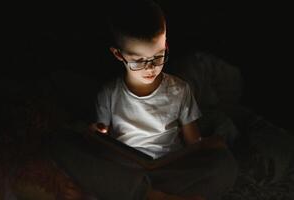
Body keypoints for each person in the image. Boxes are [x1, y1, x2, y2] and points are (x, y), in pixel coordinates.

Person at [49, 0, 238, 199]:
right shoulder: (109, 93)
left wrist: (207, 145)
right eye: (139, 61)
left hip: (168, 168)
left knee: (225, 165)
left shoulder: (180, 90)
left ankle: (138, 193)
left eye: (158, 56)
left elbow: (194, 143)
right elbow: (101, 141)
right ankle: (152, 195)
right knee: (61, 144)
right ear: (118, 54)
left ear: (165, 45)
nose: (151, 68)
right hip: (127, 169)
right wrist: (95, 133)